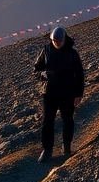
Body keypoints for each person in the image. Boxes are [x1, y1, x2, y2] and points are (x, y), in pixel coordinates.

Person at [34, 26, 85, 162]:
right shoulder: (46, 51)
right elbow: (36, 70)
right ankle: (47, 150)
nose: (57, 42)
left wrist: (78, 94)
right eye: (55, 40)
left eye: (59, 40)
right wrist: (43, 74)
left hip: (68, 93)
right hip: (49, 93)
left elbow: (79, 75)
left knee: (67, 119)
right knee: (47, 122)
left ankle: (66, 146)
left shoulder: (72, 53)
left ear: (64, 39)